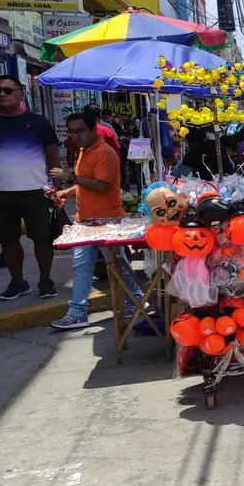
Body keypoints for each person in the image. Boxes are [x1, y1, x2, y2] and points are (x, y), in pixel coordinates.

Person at [48, 113, 144, 329]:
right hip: (86, 221)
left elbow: (101, 185)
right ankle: (78, 312)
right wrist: (69, 192)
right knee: (82, 266)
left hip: (107, 221)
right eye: (71, 132)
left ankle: (135, 300)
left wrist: (69, 177)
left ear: (93, 129)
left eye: (80, 130)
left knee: (117, 265)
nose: (75, 136)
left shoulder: (106, 152)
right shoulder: (84, 151)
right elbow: (87, 182)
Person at [0, 76, 61, 300]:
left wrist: (55, 188)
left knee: (42, 239)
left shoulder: (39, 122)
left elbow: (53, 157)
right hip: (0, 194)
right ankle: (18, 282)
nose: (2, 94)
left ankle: (46, 281)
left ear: (20, 93)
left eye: (7, 90)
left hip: (36, 191)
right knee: (8, 241)